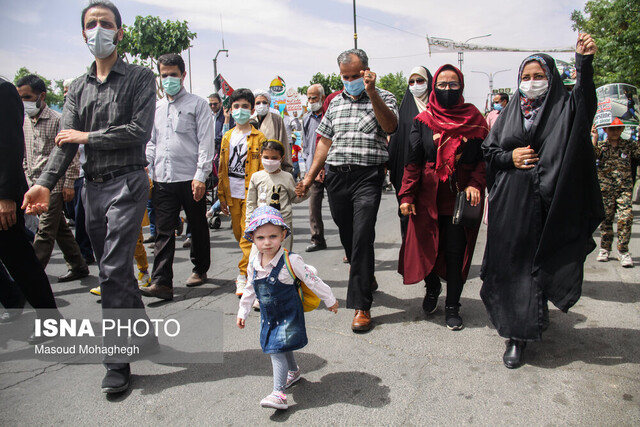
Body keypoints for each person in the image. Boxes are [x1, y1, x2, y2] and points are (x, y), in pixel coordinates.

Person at [22, 1, 157, 393]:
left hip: (129, 184)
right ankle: (144, 333)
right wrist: (45, 183)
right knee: (114, 271)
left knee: (113, 271)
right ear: (83, 33)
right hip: (91, 189)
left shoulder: (139, 78)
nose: (99, 30)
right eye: (91, 24)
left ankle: (117, 362)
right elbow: (64, 143)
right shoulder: (76, 89)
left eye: (106, 23)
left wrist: (88, 137)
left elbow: (139, 131)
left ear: (119, 31)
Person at [480, 34, 603, 369]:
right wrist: (511, 156)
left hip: (550, 204)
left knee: (537, 268)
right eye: (525, 77)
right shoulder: (508, 114)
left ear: (552, 79)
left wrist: (584, 64)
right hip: (510, 206)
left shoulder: (565, 107)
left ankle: (530, 321)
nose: (531, 83)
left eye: (539, 76)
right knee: (513, 268)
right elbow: (489, 152)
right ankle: (515, 336)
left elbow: (586, 103)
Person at [297, 48, 398, 332]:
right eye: (345, 76)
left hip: (368, 176)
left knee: (363, 234)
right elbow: (323, 143)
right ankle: (366, 276)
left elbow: (390, 126)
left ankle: (361, 306)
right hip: (336, 178)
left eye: (355, 75)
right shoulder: (335, 103)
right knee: (348, 233)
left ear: (366, 71)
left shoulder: (385, 96)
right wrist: (309, 177)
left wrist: (372, 92)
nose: (350, 80)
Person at [398, 64, 488, 330]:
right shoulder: (423, 120)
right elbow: (413, 162)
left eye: (453, 84)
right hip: (427, 198)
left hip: (459, 199)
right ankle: (432, 287)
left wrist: (475, 184)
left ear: (461, 87)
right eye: (442, 84)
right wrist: (407, 195)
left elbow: (484, 161)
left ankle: (453, 306)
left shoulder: (474, 119)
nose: (447, 89)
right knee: (427, 248)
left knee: (454, 251)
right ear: (434, 87)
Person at [237, 206, 338, 410]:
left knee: (276, 349)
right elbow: (249, 288)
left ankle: (278, 393)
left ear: (283, 234)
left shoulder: (291, 260)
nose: (267, 242)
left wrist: (330, 299)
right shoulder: (254, 262)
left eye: (273, 236)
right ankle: (293, 372)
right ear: (253, 239)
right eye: (260, 238)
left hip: (289, 315)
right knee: (282, 347)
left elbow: (313, 281)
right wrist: (243, 311)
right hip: (269, 316)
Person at [141, 53, 214, 300]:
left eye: (173, 74)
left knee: (197, 224)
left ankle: (200, 268)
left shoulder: (198, 104)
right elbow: (152, 142)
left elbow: (205, 142)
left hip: (191, 178)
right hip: (163, 179)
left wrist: (201, 176)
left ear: (183, 75)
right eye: (164, 75)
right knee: (163, 231)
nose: (168, 79)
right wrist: (145, 166)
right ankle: (162, 282)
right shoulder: (156, 108)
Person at [0, 76, 61, 342]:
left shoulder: (2, 91)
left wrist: (5, 196)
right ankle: (12, 297)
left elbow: (10, 148)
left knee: (20, 259)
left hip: (4, 197)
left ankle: (50, 319)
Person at [17, 74, 89, 282]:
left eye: (28, 97)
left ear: (42, 96)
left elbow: (72, 153)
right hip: (33, 183)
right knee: (60, 229)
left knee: (45, 232)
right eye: (21, 98)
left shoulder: (58, 120)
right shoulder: (24, 122)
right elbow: (25, 154)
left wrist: (68, 183)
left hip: (54, 186)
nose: (24, 103)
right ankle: (78, 265)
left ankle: (31, 278)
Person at [218, 88, 267, 296]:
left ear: (252, 109)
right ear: (230, 109)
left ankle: (243, 276)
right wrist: (221, 197)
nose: (240, 110)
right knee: (240, 235)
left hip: (252, 196)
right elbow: (222, 169)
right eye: (236, 106)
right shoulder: (227, 137)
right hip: (232, 194)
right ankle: (254, 271)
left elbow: (265, 169)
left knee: (247, 237)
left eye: (245, 106)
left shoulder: (259, 136)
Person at [387, 66, 433, 240]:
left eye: (420, 81)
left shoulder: (438, 109)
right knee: (408, 217)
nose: (415, 85)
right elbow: (396, 142)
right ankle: (410, 257)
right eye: (411, 82)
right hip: (406, 173)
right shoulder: (404, 110)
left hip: (432, 173)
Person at [593, 117, 640, 267]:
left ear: (622, 129)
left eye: (618, 128)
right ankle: (605, 248)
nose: (615, 131)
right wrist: (594, 137)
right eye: (611, 128)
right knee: (606, 220)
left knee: (625, 218)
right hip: (605, 189)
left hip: (624, 189)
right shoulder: (601, 146)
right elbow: (591, 156)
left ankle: (623, 251)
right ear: (605, 130)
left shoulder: (629, 146)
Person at [246, 140, 309, 251]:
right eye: (266, 157)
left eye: (274, 158)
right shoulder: (256, 177)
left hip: (283, 223)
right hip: (260, 224)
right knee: (259, 258)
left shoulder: (287, 177)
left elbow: (294, 198)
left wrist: (305, 190)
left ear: (282, 158)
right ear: (261, 156)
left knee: (282, 258)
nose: (270, 161)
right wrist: (249, 224)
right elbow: (251, 203)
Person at [302, 84, 328, 252]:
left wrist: (324, 166)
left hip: (331, 168)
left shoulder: (329, 115)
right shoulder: (306, 118)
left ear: (322, 98)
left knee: (340, 210)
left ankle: (349, 243)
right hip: (313, 169)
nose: (311, 101)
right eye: (309, 98)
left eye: (314, 98)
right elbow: (306, 145)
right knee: (313, 207)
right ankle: (317, 239)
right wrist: (308, 170)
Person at [253, 88, 293, 172]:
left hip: (274, 167)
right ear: (254, 105)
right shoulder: (251, 121)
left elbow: (284, 143)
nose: (261, 105)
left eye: (264, 102)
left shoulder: (276, 119)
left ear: (269, 104)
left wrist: (287, 168)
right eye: (258, 103)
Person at [208, 93, 234, 166]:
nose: (213, 106)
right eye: (210, 104)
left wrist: (215, 141)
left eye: (215, 104)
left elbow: (228, 131)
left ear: (220, 103)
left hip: (221, 149)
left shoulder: (227, 115)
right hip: (210, 150)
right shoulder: (208, 115)